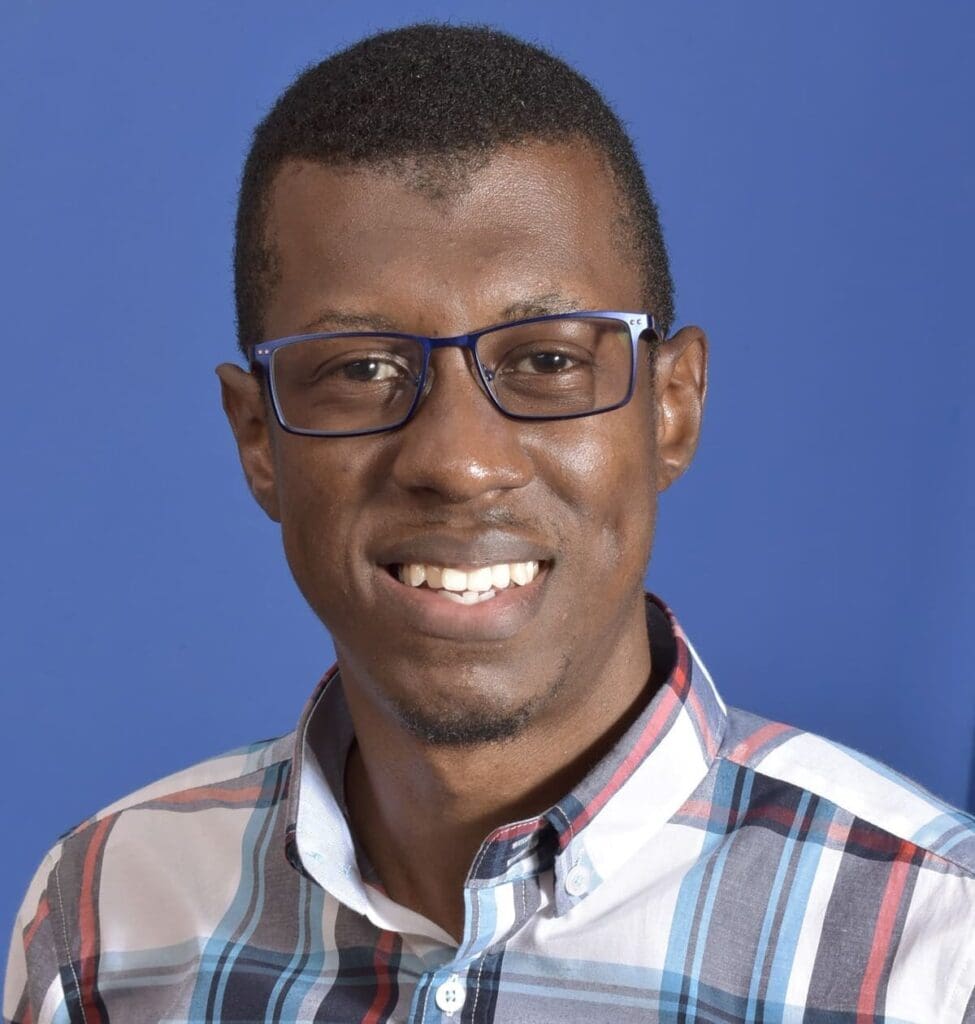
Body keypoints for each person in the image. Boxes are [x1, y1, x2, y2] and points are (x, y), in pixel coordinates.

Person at [5, 23, 973, 1024]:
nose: (458, 462)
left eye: (548, 360)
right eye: (362, 370)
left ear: (672, 406)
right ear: (258, 437)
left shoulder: (934, 949)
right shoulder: (103, 925)